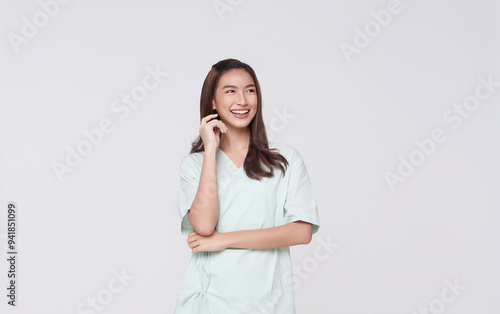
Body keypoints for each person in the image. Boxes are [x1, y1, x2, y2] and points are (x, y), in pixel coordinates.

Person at [174, 58, 320, 313]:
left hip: (266, 301)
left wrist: (224, 240)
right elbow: (205, 226)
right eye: (230, 91)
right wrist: (210, 150)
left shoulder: (285, 160)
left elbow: (302, 232)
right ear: (212, 101)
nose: (242, 100)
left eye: (250, 90)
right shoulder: (194, 165)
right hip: (208, 301)